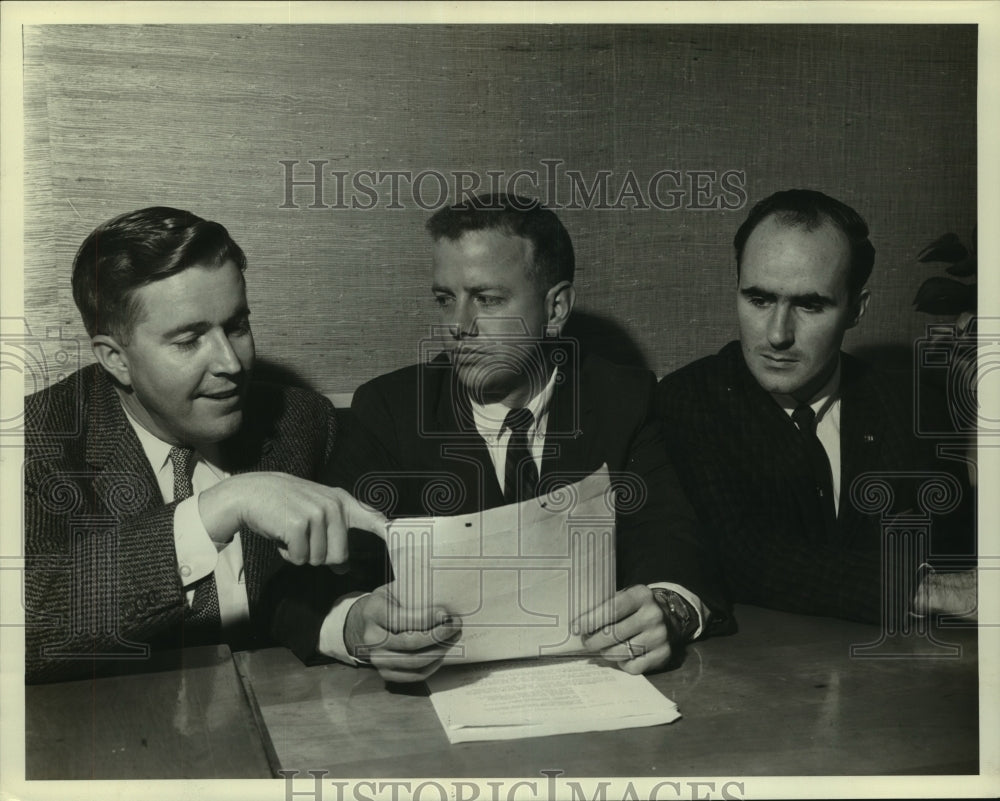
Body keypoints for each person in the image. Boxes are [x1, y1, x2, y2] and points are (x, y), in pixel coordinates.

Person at [280, 193, 727, 683]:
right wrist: (358, 625)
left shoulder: (624, 400)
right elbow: (303, 588)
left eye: (487, 300)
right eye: (445, 300)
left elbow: (675, 544)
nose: (457, 327)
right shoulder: (389, 410)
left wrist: (668, 609)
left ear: (555, 309)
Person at [24, 206, 385, 683]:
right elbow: (26, 622)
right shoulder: (34, 441)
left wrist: (354, 623)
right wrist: (221, 508)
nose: (232, 364)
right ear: (115, 359)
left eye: (236, 326)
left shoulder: (302, 420)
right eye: (190, 340)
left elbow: (314, 590)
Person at [656, 189, 976, 624]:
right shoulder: (686, 402)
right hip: (755, 678)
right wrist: (920, 588)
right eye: (759, 299)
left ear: (856, 310)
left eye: (810, 305)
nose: (777, 335)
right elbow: (737, 556)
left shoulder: (914, 407)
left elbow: (960, 560)